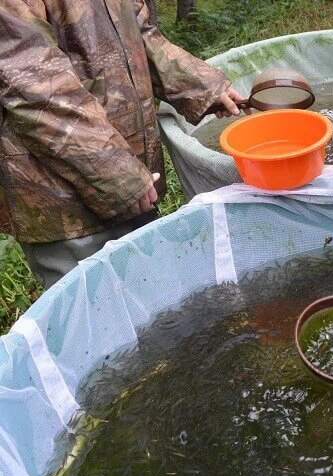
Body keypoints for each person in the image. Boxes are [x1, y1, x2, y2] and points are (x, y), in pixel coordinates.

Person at [0, 0, 244, 288]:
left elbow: (141, 37)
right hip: (64, 201)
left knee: (155, 293)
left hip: (131, 171)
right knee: (97, 310)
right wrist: (117, 171)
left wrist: (205, 87)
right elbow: (36, 90)